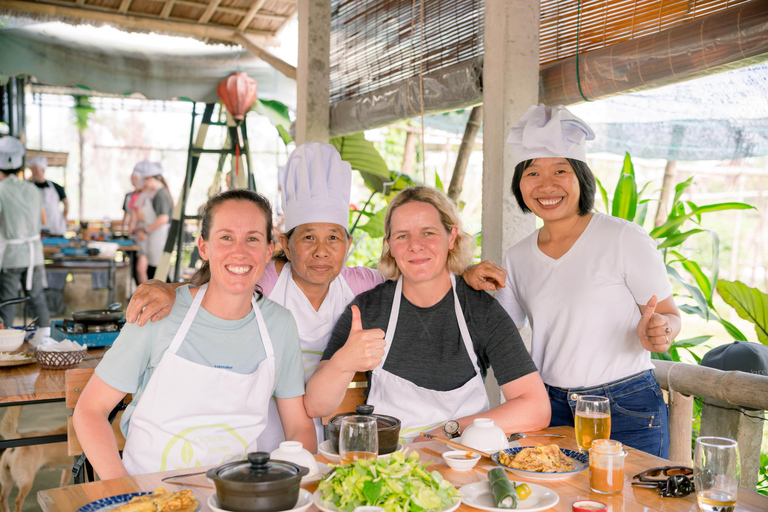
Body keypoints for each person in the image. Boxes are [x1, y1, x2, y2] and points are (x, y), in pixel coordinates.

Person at [125, 143, 507, 452]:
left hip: (316, 426)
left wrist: (463, 273)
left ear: (349, 244)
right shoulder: (269, 279)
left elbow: (420, 272)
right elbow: (219, 284)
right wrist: (168, 289)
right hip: (257, 420)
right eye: (308, 237)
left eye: (333, 238)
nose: (321, 252)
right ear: (286, 246)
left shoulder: (360, 284)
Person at [73, 189, 315, 479]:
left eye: (252, 238)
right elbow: (90, 410)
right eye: (226, 237)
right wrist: (123, 491)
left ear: (267, 250)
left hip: (236, 495)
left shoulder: (279, 324)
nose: (240, 251)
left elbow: (299, 426)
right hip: (151, 496)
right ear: (203, 247)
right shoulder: (158, 314)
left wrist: (300, 487)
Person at [496, 104, 681, 458]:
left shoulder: (623, 237)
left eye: (560, 170)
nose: (546, 185)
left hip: (624, 405)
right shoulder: (517, 257)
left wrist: (662, 330)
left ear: (581, 177)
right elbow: (504, 332)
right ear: (519, 185)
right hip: (550, 406)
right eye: (532, 173)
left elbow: (669, 314)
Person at [305, 186, 550, 442]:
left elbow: (536, 407)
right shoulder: (368, 309)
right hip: (390, 464)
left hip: (465, 459)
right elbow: (316, 406)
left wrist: (446, 431)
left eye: (428, 233)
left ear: (452, 237)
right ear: (389, 245)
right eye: (402, 236)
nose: (415, 246)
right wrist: (345, 361)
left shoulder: (480, 312)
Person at [0, 137, 51, 328]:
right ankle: (46, 342)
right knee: (38, 299)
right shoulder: (32, 189)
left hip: (11, 257)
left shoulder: (1, 189)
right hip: (34, 255)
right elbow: (44, 219)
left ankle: (5, 345)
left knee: (8, 302)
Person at [131, 161, 172, 282]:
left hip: (160, 238)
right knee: (154, 272)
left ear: (150, 179)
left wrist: (146, 231)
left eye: (144, 180)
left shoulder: (161, 194)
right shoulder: (156, 193)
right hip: (155, 238)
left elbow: (163, 218)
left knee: (159, 274)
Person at [28, 156, 68, 236]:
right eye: (32, 169)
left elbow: (66, 203)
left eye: (36, 169)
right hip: (36, 229)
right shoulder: (28, 187)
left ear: (43, 170)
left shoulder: (56, 187)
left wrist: (63, 219)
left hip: (55, 228)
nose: (34, 172)